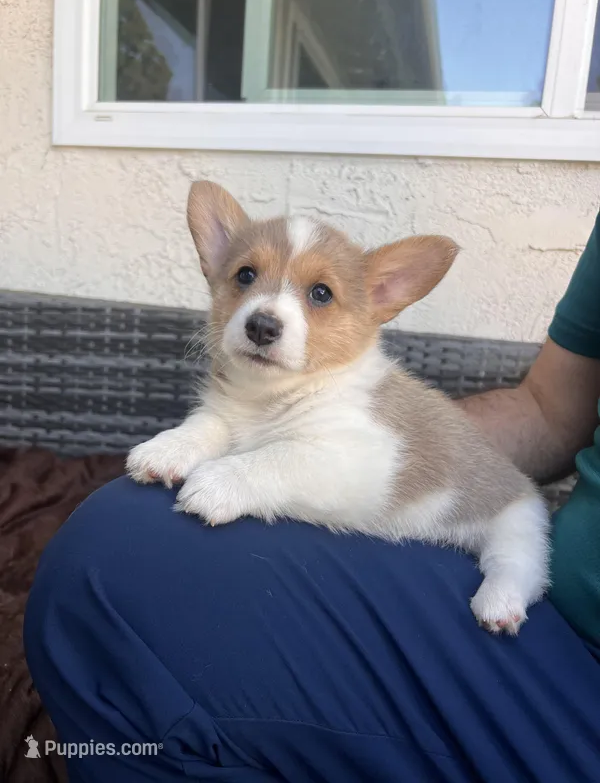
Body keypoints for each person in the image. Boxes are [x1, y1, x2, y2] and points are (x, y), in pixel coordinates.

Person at [24, 213, 600, 783]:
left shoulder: (352, 399)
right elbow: (227, 420)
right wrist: (196, 439)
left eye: (319, 293)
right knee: (116, 550)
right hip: (414, 569)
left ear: (380, 298)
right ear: (217, 270)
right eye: (247, 276)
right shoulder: (256, 385)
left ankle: (516, 580)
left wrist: (249, 478)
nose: (268, 313)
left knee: (514, 534)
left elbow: (349, 472)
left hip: (491, 531)